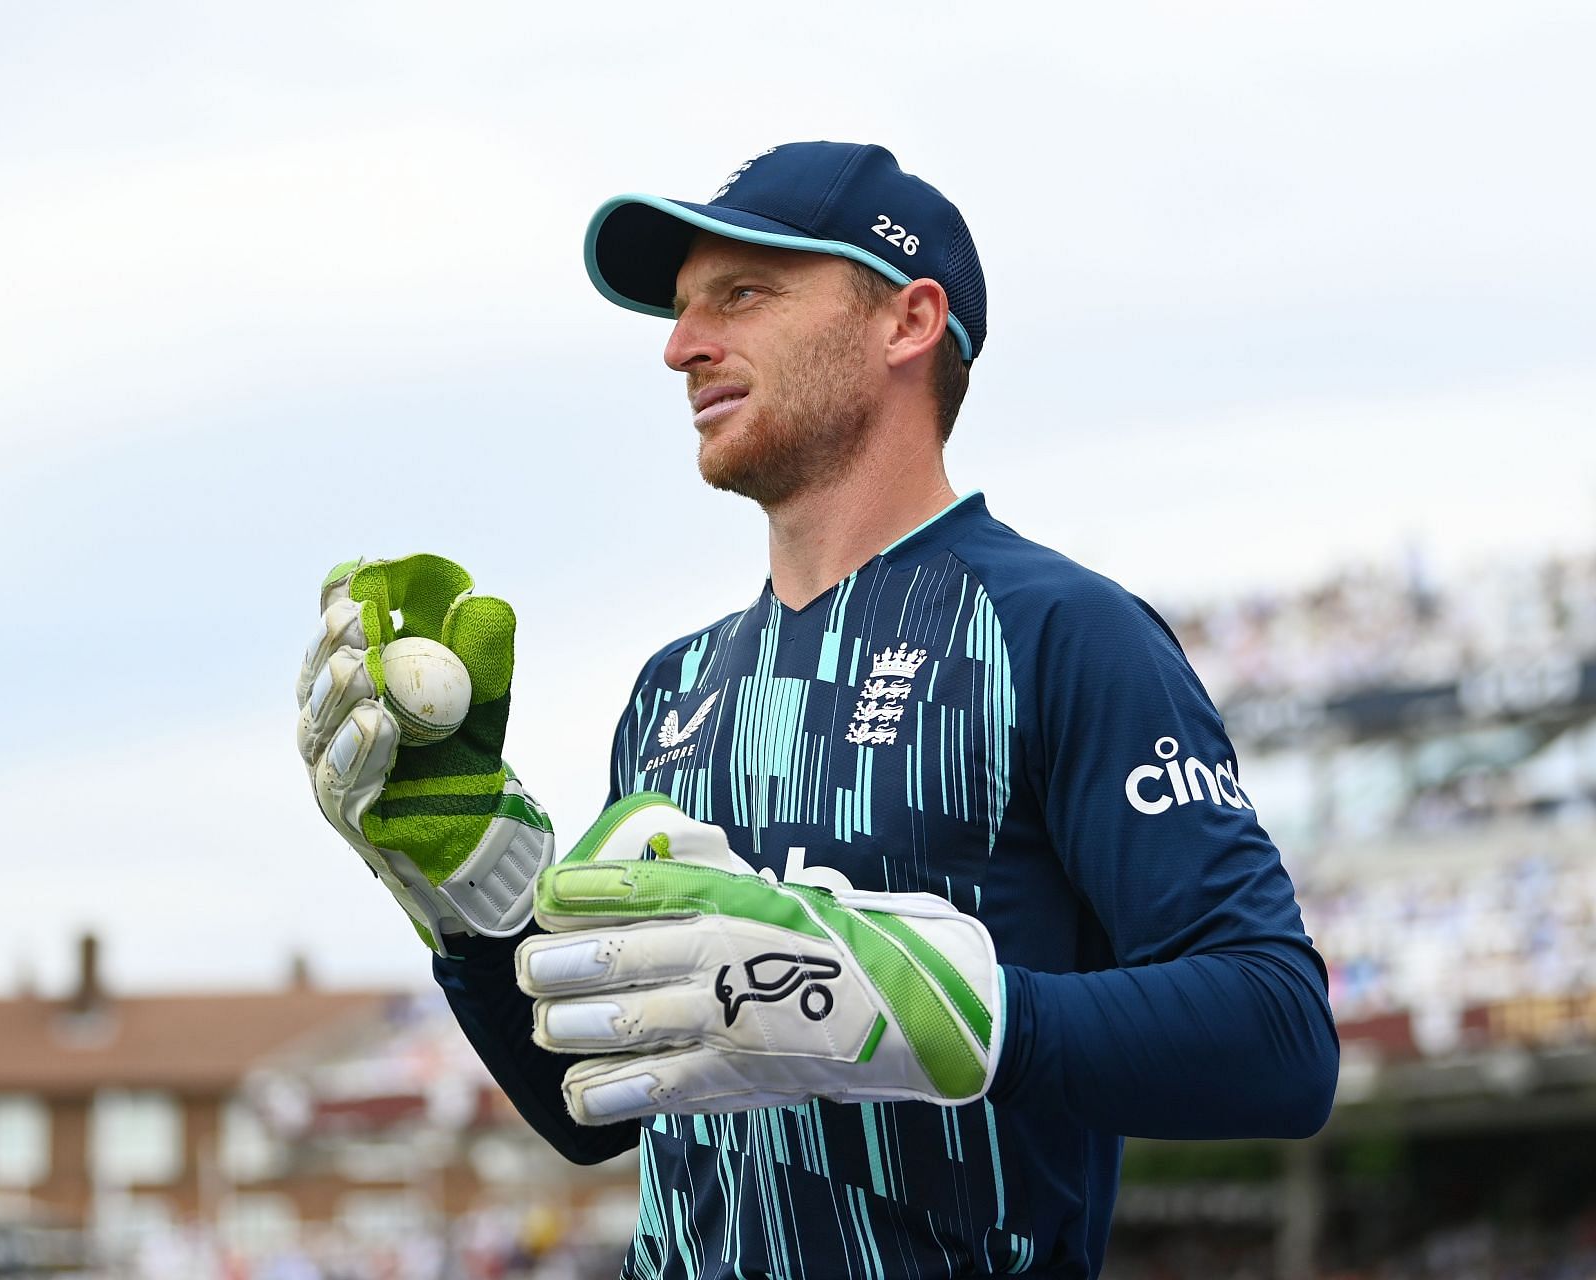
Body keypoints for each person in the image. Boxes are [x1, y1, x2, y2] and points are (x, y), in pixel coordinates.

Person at [296, 142, 1339, 1279]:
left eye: (741, 294)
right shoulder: (673, 686)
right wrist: (475, 904)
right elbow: (592, 1102)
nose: (682, 345)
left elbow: (1279, 1036)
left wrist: (929, 1003)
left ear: (908, 321)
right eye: (685, 309)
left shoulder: (1060, 630)